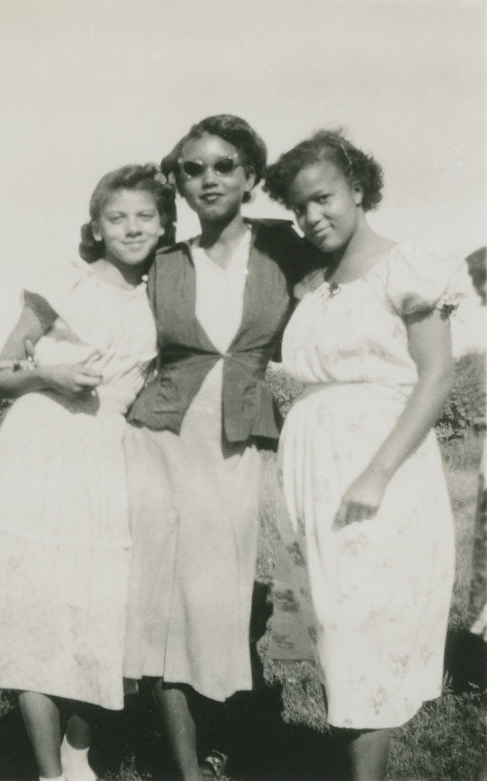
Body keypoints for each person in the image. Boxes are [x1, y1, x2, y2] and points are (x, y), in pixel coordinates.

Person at [263, 129, 473, 781]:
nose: (311, 216)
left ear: (358, 188)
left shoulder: (405, 265)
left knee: (362, 638)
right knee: (331, 633)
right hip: (311, 469)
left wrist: (377, 473)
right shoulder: (310, 284)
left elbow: (434, 375)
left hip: (375, 467)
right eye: (297, 207)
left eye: (323, 197)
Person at [123, 114, 318, 781]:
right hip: (157, 443)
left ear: (250, 176)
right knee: (165, 600)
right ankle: (184, 767)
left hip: (234, 449)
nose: (207, 179)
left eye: (223, 166)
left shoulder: (285, 247)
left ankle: (233, 737)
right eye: (192, 168)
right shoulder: (160, 259)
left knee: (224, 601)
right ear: (175, 181)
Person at [0, 165, 176, 781]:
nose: (132, 227)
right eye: (117, 216)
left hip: (107, 453)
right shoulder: (65, 284)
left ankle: (79, 750)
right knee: (32, 608)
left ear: (165, 224)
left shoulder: (163, 299)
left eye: (145, 215)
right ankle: (50, 773)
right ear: (96, 226)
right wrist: (47, 375)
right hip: (39, 446)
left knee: (100, 608)